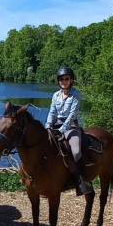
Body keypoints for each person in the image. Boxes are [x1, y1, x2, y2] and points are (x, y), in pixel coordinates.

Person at [46, 66, 93, 196]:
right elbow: (52, 112)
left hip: (71, 127)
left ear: (71, 80)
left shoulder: (76, 94)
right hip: (55, 125)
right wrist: (48, 126)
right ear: (58, 81)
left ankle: (82, 181)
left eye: (66, 79)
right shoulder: (55, 95)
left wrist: (61, 130)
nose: (64, 81)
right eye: (61, 79)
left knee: (76, 151)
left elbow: (72, 115)